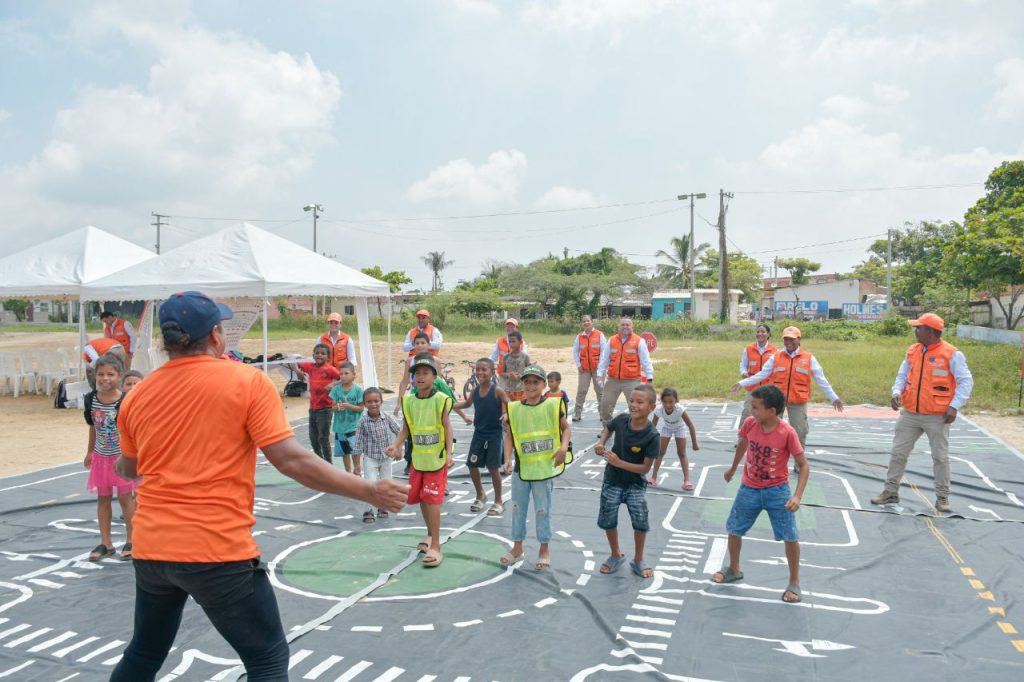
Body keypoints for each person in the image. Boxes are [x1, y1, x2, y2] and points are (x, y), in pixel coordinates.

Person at [110, 291, 407, 681]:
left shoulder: (139, 395)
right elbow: (291, 460)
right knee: (266, 659)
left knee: (144, 654)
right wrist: (369, 490)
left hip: (152, 549)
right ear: (216, 336)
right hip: (214, 550)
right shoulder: (246, 381)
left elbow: (128, 469)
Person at [713, 385, 807, 604]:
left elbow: (803, 466)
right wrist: (733, 468)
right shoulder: (750, 424)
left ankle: (794, 581)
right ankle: (734, 569)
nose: (751, 411)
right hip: (749, 488)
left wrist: (797, 496)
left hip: (778, 491)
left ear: (772, 411)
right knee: (734, 528)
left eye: (755, 407)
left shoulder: (787, 433)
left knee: (790, 536)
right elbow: (743, 445)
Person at [871, 313, 974, 513]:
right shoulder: (913, 351)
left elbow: (966, 381)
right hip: (910, 413)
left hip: (938, 415)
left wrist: (955, 406)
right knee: (898, 453)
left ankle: (942, 497)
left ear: (931, 331)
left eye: (919, 328)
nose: (915, 331)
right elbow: (902, 375)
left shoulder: (952, 354)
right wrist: (896, 392)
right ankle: (890, 491)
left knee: (940, 457)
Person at [386, 354, 454, 567]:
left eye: (426, 373)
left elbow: (446, 427)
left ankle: (436, 546)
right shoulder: (409, 402)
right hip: (418, 460)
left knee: (432, 500)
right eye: (417, 374)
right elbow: (406, 429)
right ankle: (430, 535)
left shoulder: (440, 400)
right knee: (423, 500)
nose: (420, 377)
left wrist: (449, 452)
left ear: (435, 377)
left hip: (436, 460)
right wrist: (396, 445)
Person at [501, 364, 571, 570]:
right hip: (521, 470)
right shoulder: (513, 409)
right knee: (517, 508)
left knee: (542, 510)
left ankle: (544, 549)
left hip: (543, 470)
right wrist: (507, 458)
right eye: (527, 382)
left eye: (536, 382)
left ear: (543, 384)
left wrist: (563, 448)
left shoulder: (552, 405)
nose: (531, 386)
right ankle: (517, 547)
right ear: (522, 383)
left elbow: (566, 429)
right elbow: (510, 436)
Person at [731, 326, 843, 450]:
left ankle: (798, 465)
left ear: (799, 339)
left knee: (799, 431)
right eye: (786, 339)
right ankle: (770, 461)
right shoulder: (776, 356)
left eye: (792, 339)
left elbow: (821, 380)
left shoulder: (808, 358)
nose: (788, 342)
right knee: (771, 430)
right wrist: (742, 383)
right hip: (777, 401)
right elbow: (762, 374)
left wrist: (834, 398)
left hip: (798, 401)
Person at [595, 384, 659, 579]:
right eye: (632, 400)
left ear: (651, 407)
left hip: (635, 485)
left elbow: (645, 469)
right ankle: (615, 554)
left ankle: (638, 559)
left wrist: (619, 462)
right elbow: (608, 427)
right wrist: (601, 442)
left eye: (640, 402)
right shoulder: (622, 420)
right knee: (608, 519)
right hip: (612, 481)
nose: (633, 405)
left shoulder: (652, 435)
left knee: (640, 520)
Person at [83, 354, 136, 562]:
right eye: (101, 374)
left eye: (110, 374)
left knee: (125, 499)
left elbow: (133, 431)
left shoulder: (125, 401)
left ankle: (132, 539)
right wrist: (90, 451)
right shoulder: (90, 399)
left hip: (121, 458)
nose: (105, 378)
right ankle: (106, 543)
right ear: (95, 375)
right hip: (101, 458)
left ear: (119, 376)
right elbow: (93, 427)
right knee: (103, 499)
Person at [454, 358, 509, 516]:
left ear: (492, 372)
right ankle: (481, 494)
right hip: (479, 433)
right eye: (477, 369)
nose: (480, 372)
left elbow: (509, 402)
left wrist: (505, 413)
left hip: (494, 434)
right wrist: (448, 405)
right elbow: (466, 404)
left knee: (493, 468)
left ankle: (498, 501)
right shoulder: (475, 390)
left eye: (484, 369)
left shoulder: (497, 390)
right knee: (472, 465)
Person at [353, 387, 404, 522]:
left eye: (376, 401)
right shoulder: (362, 422)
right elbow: (357, 444)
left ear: (381, 402)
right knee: (370, 484)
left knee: (386, 483)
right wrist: (357, 464)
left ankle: (382, 506)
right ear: (364, 404)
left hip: (386, 458)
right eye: (369, 402)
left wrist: (399, 448)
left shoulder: (386, 418)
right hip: (370, 458)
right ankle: (368, 510)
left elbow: (400, 432)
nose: (373, 404)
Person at [597, 317, 654, 425]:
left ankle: (636, 429)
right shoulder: (612, 340)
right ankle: (607, 428)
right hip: (613, 380)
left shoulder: (639, 341)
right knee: (605, 405)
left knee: (636, 407)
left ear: (632, 327)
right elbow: (604, 359)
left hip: (632, 381)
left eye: (628, 325)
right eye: (623, 325)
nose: (625, 327)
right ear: (619, 327)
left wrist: (649, 379)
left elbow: (646, 361)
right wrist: (600, 374)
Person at [295, 343, 341, 463]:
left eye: (323, 353)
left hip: (325, 409)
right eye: (317, 353)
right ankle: (319, 462)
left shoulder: (330, 369)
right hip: (313, 408)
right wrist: (298, 371)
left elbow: (344, 378)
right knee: (313, 438)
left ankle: (328, 463)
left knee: (323, 438)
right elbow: (295, 362)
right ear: (313, 355)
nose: (319, 355)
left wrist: (332, 384)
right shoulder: (310, 366)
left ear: (328, 357)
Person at [649, 387, 699, 490]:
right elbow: (653, 426)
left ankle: (686, 481)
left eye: (671, 402)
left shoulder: (680, 409)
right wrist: (649, 439)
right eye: (665, 402)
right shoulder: (659, 409)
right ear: (661, 401)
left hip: (679, 428)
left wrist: (694, 443)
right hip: (666, 428)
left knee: (682, 453)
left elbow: (690, 425)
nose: (668, 405)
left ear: (676, 401)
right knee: (660, 452)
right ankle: (653, 478)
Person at [738, 324, 777, 425]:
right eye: (758, 331)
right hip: (752, 388)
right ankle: (742, 438)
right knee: (747, 413)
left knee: (766, 414)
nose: (760, 334)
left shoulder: (775, 350)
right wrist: (743, 372)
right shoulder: (749, 348)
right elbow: (743, 364)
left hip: (767, 389)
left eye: (763, 332)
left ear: (768, 334)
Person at [329, 362, 364, 474]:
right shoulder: (336, 390)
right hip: (340, 427)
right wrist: (338, 407)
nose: (343, 376)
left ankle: (357, 470)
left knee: (355, 450)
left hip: (354, 427)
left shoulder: (358, 390)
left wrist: (349, 406)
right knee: (345, 452)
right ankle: (348, 473)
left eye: (346, 373)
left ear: (354, 375)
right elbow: (332, 407)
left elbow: (361, 408)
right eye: (341, 374)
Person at [572, 314, 607, 422]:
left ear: (592, 322)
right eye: (584, 321)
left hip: (598, 370)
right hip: (584, 369)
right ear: (582, 324)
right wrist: (578, 365)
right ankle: (577, 413)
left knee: (600, 391)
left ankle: (602, 414)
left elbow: (604, 352)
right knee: (582, 390)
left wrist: (601, 368)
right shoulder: (579, 337)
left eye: (588, 321)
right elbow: (575, 352)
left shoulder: (599, 335)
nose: (586, 323)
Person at [498, 330, 530, 402]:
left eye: (513, 341)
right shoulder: (506, 357)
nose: (511, 344)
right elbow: (502, 373)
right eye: (510, 342)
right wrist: (508, 375)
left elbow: (529, 374)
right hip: (508, 390)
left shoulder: (525, 357)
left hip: (521, 390)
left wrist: (519, 376)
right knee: (508, 410)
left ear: (520, 342)